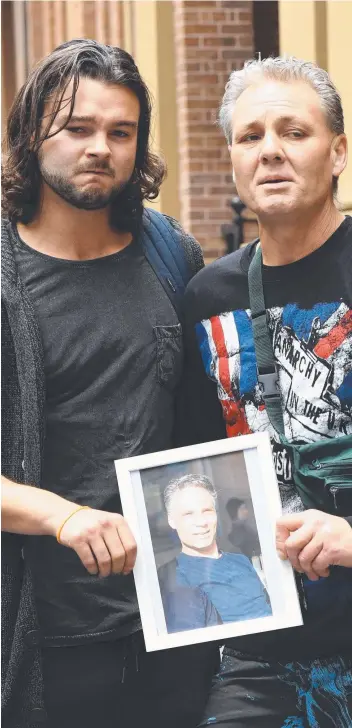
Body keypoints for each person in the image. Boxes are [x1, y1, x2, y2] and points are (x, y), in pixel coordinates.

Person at [1, 39, 220, 728]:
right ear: (33, 134)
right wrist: (64, 517)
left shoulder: (172, 255)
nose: (100, 147)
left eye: (120, 132)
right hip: (39, 644)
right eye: (78, 128)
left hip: (173, 630)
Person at [179, 56, 352, 726]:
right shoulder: (207, 297)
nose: (271, 151)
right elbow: (196, 468)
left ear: (337, 152)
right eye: (251, 136)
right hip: (265, 652)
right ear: (231, 159)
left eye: (294, 132)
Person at [158, 474, 271, 624]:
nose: (201, 522)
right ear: (172, 520)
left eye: (207, 511)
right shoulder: (172, 575)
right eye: (188, 514)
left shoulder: (241, 560)